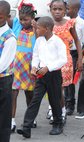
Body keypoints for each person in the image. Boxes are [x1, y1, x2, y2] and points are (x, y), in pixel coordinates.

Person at [17, 16, 67, 138]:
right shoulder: (39, 40)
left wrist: (48, 67)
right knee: (35, 100)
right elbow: (36, 55)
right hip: (41, 75)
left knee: (54, 100)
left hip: (54, 75)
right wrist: (34, 67)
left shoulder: (57, 41)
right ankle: (26, 127)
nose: (36, 30)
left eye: (38, 28)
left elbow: (63, 60)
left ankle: (58, 124)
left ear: (47, 28)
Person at [48, 0, 83, 123]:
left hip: (64, 61)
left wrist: (80, 58)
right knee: (51, 88)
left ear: (65, 10)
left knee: (59, 89)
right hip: (50, 60)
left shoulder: (69, 24)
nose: (57, 11)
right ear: (50, 10)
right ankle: (54, 109)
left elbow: (77, 41)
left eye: (60, 9)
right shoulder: (47, 24)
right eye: (54, 9)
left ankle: (60, 112)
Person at [8, 1, 37, 132]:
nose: (23, 22)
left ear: (33, 19)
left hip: (29, 68)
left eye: (26, 20)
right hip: (15, 67)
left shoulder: (36, 30)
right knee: (13, 93)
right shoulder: (16, 25)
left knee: (29, 94)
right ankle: (11, 121)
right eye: (21, 19)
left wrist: (36, 28)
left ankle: (31, 119)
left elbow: (39, 46)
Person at [65, 0, 84, 115]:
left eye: (68, 8)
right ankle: (64, 102)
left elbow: (83, 42)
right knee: (63, 79)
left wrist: (80, 58)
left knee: (71, 80)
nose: (66, 10)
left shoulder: (82, 23)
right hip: (64, 52)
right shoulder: (64, 21)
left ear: (76, 10)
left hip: (74, 53)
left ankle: (70, 103)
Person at [0, 1, 17, 141]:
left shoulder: (9, 37)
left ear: (8, 16)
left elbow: (3, 64)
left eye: (0, 17)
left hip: (3, 80)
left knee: (3, 115)